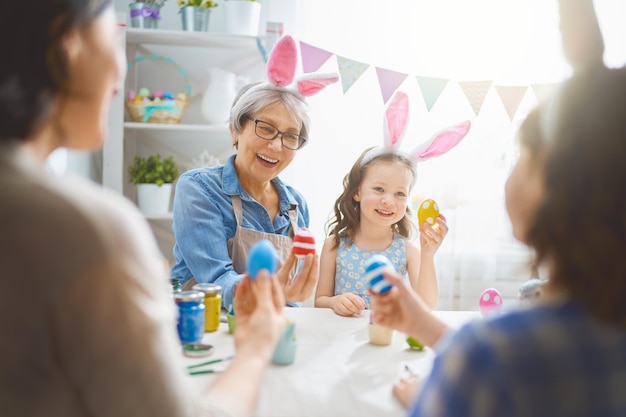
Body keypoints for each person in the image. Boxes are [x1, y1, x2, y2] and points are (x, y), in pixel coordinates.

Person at [0, 1, 287, 416]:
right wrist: (257, 347)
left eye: (290, 136)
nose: (120, 77)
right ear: (70, 46)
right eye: (114, 42)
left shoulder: (294, 202)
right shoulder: (87, 228)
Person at [370, 65, 626, 416]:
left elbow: (491, 363)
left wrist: (426, 400)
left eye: (519, 156)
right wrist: (421, 324)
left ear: (547, 180)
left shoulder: (486, 356)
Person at [170, 35, 338, 310]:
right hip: (206, 330)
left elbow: (290, 298)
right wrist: (271, 291)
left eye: (290, 136)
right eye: (266, 128)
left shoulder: (296, 205)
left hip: (268, 328)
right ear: (235, 130)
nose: (275, 146)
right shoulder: (199, 189)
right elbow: (215, 281)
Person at [314, 91, 470, 317]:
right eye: (379, 189)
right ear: (357, 192)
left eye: (399, 193)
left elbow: (426, 306)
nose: (388, 200)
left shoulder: (407, 250)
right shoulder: (334, 244)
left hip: (386, 341)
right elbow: (320, 301)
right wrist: (335, 302)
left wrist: (428, 254)